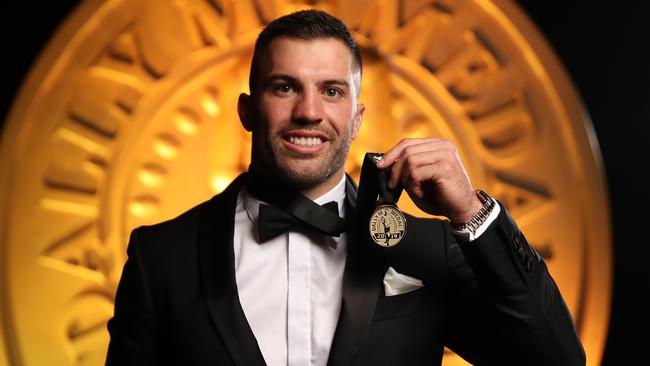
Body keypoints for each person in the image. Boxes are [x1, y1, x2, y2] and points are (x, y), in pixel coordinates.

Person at [106, 9, 585, 366]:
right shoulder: (160, 257)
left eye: (331, 91)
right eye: (285, 87)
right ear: (248, 111)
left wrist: (472, 215)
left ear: (357, 120)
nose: (309, 112)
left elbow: (557, 359)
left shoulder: (428, 249)